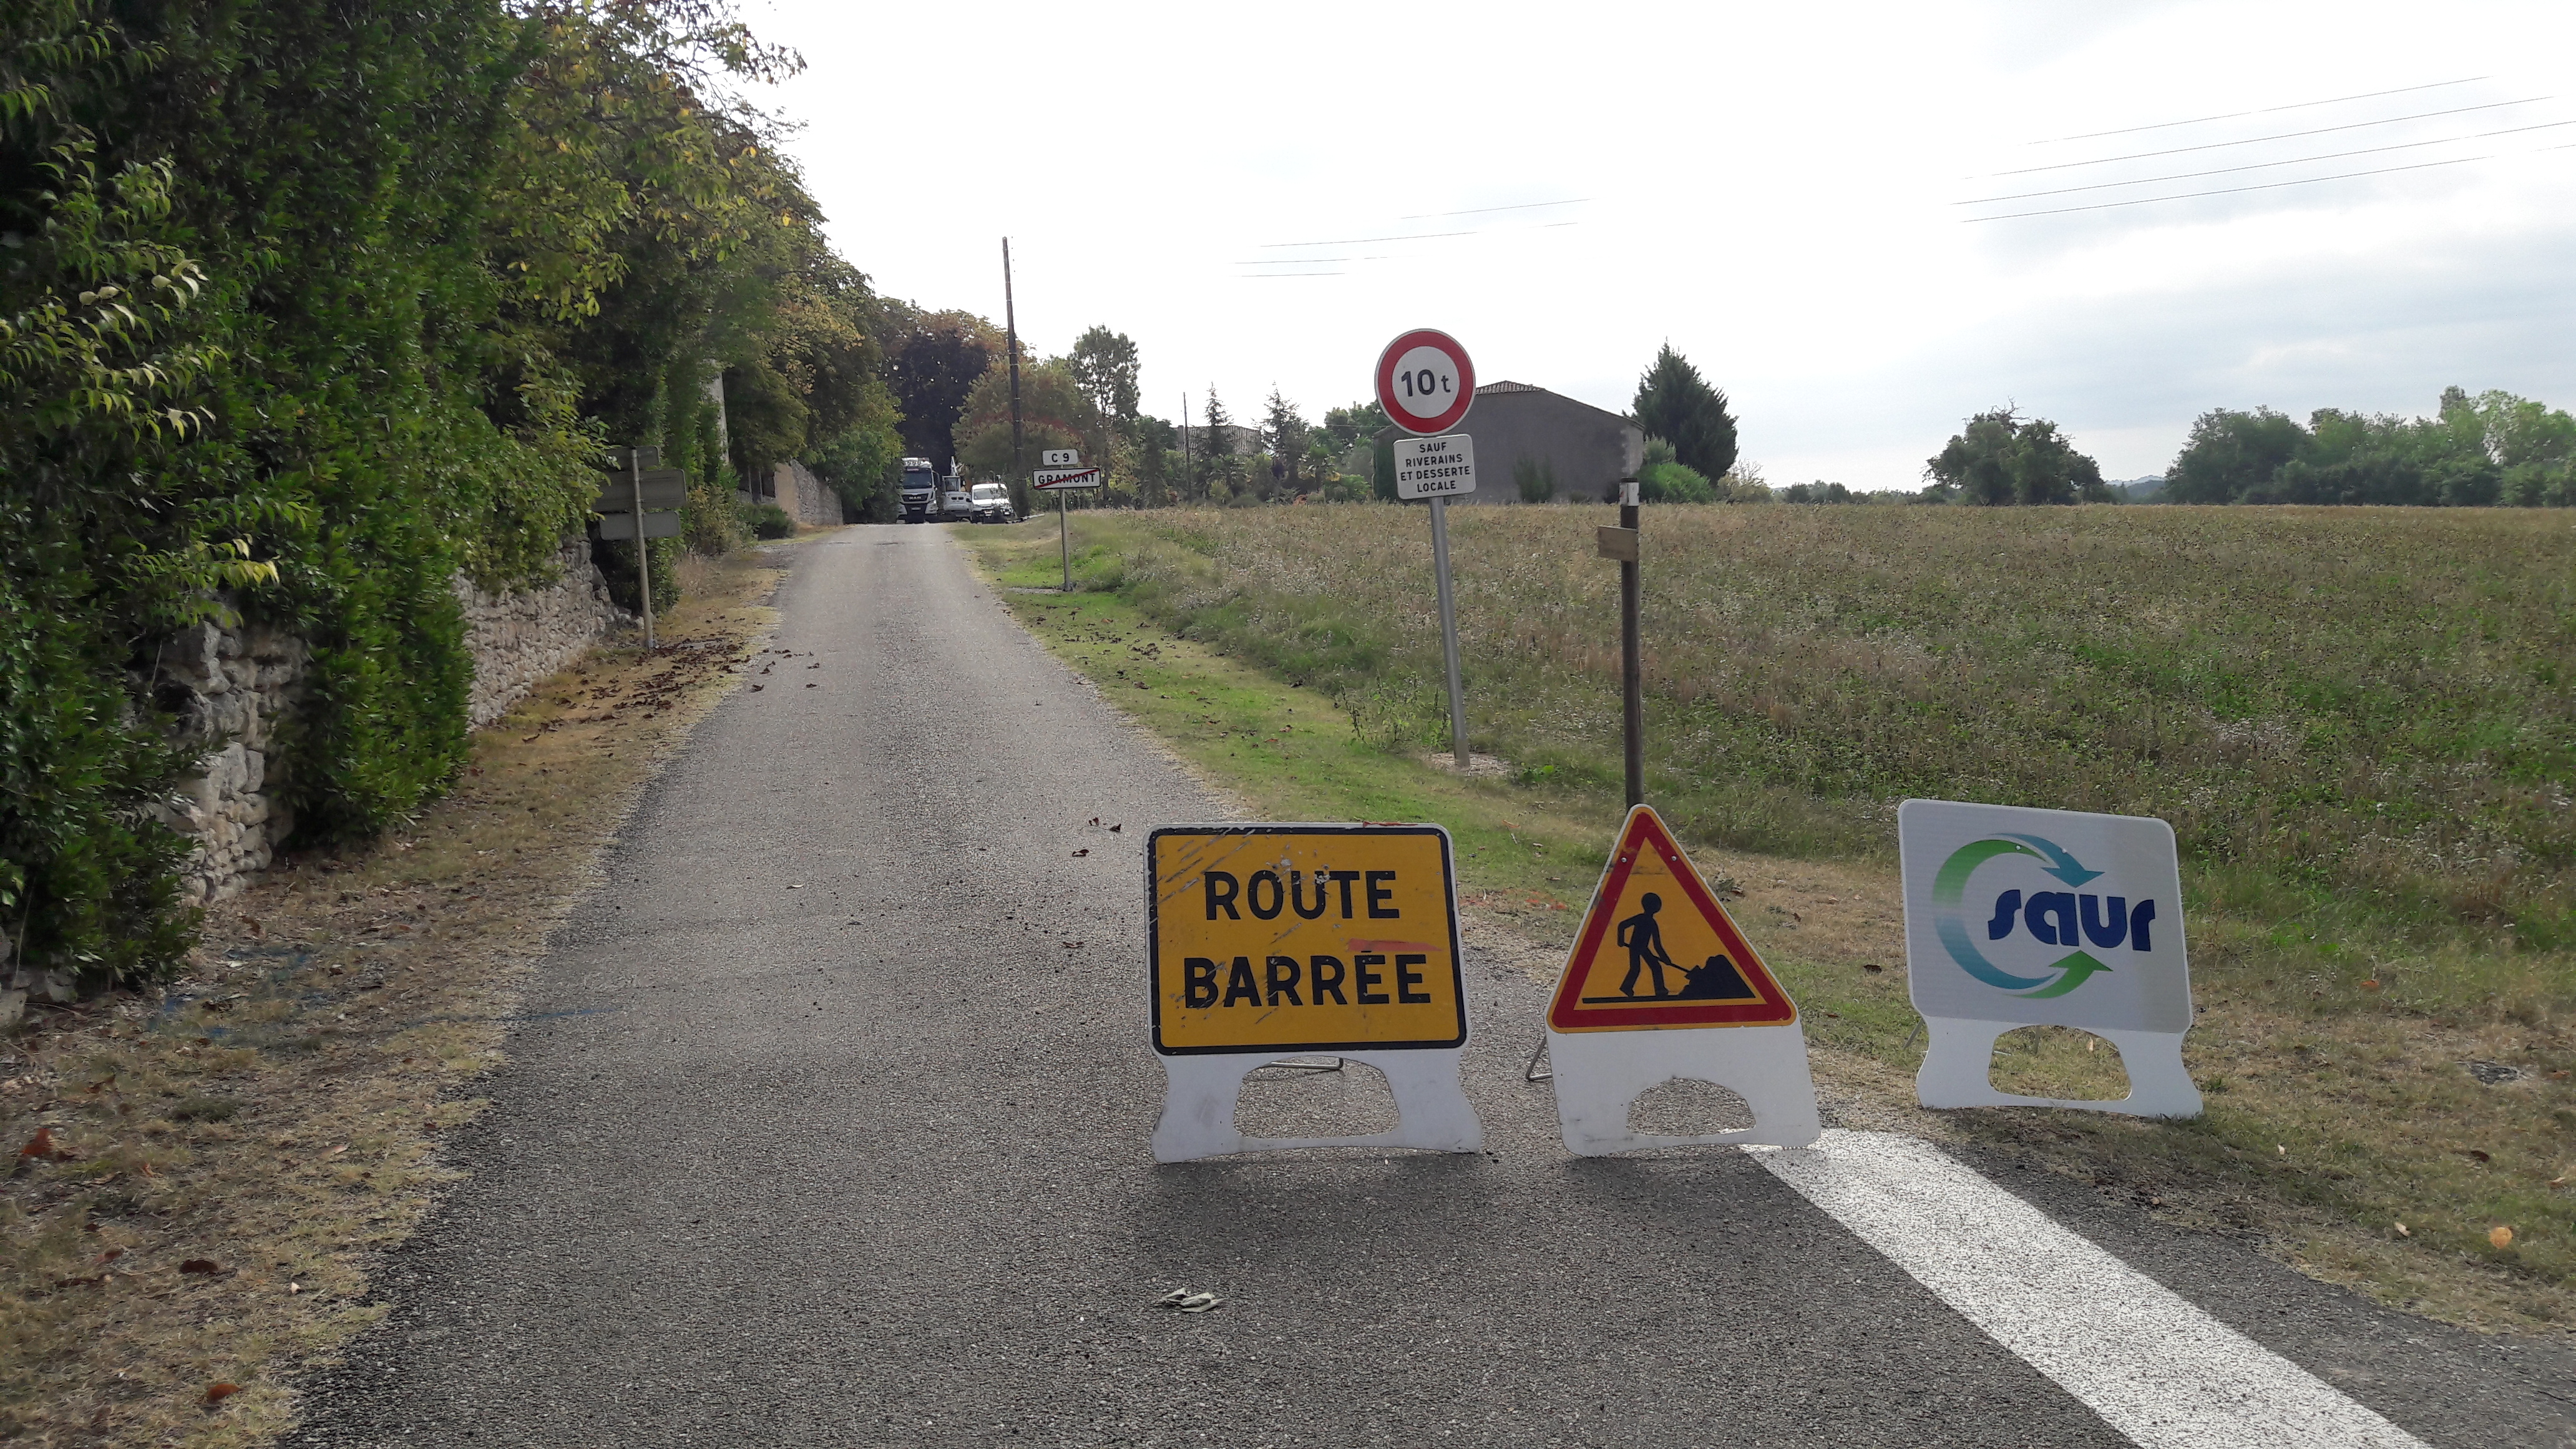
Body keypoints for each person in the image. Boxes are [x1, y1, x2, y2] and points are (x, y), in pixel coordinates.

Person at [1616, 892, 1682, 998]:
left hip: (1643, 948)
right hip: (1635, 947)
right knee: (1636, 968)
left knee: (1655, 967)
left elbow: (1657, 944)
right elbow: (1622, 925)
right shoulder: (1642, 919)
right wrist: (1620, 940)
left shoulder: (1651, 922)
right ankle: (1627, 987)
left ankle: (1660, 989)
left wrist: (1665, 958)